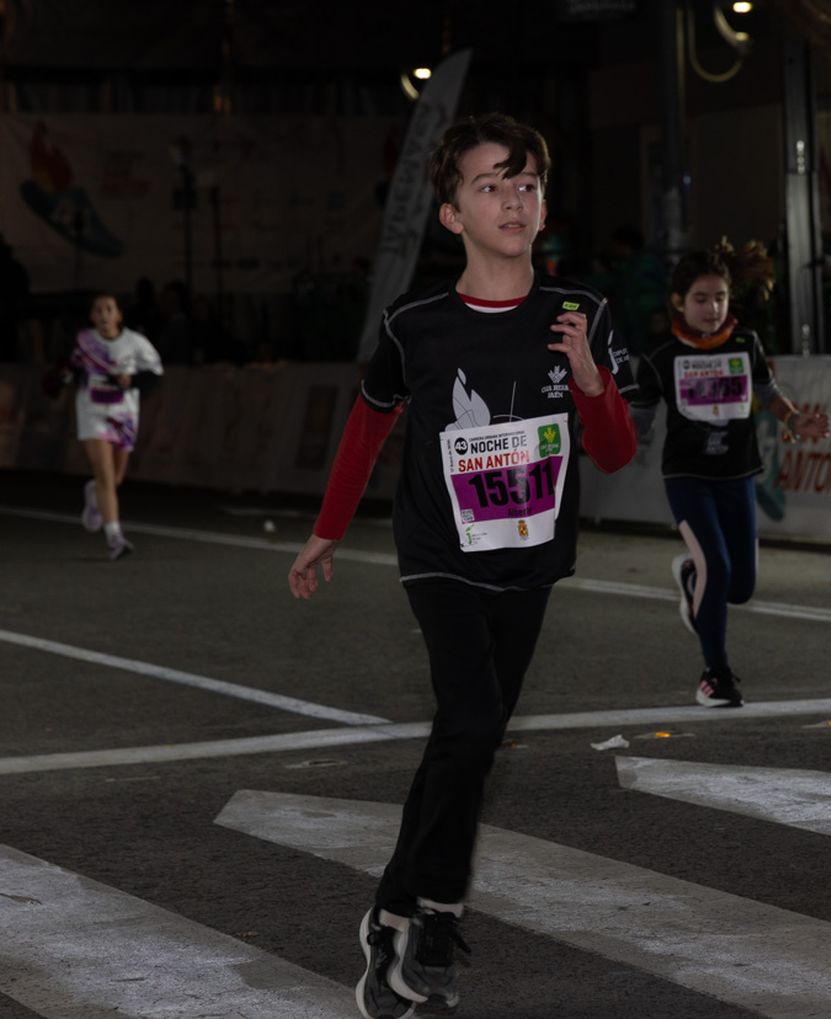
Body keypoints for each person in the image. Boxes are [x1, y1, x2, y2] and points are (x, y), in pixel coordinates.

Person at [285, 112, 636, 1019]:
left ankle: (392, 912)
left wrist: (592, 382)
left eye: (526, 186)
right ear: (451, 215)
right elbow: (368, 425)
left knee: (467, 740)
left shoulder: (581, 313)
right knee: (473, 717)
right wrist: (328, 528)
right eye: (491, 186)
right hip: (439, 553)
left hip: (532, 559)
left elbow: (618, 454)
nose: (513, 202)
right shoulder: (418, 325)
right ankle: (436, 913)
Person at [629, 248, 830, 708]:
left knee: (740, 588)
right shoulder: (662, 356)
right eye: (701, 299)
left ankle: (689, 576)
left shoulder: (746, 344)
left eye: (719, 298)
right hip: (687, 476)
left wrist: (795, 421)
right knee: (717, 569)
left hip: (738, 473)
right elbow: (639, 418)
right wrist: (615, 432)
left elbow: (768, 393)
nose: (712, 308)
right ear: (678, 301)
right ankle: (715, 675)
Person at [68, 294, 162, 560]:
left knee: (115, 478)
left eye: (109, 309)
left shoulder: (135, 343)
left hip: (124, 415)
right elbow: (72, 367)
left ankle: (93, 493)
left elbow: (154, 375)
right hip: (93, 412)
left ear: (119, 315)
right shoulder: (84, 341)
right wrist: (64, 376)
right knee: (105, 475)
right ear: (92, 317)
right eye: (98, 310)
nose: (104, 314)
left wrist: (131, 380)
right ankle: (114, 538)